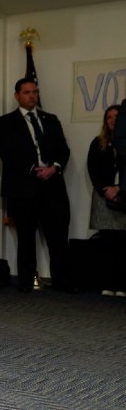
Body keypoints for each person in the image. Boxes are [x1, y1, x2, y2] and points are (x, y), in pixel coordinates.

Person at [0, 78, 71, 293]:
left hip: (52, 186)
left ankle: (62, 280)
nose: (32, 96)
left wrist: (53, 168)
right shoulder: (6, 122)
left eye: (35, 92)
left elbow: (63, 150)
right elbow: (7, 153)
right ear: (17, 95)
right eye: (27, 92)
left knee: (57, 235)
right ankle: (26, 281)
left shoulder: (51, 119)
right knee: (26, 236)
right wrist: (32, 169)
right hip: (23, 187)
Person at [86, 105, 126, 296]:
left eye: (116, 116)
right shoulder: (98, 143)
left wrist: (120, 188)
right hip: (104, 197)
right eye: (108, 117)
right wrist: (107, 190)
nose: (112, 120)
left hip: (124, 196)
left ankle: (122, 285)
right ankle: (108, 283)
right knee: (107, 242)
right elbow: (93, 170)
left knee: (123, 243)